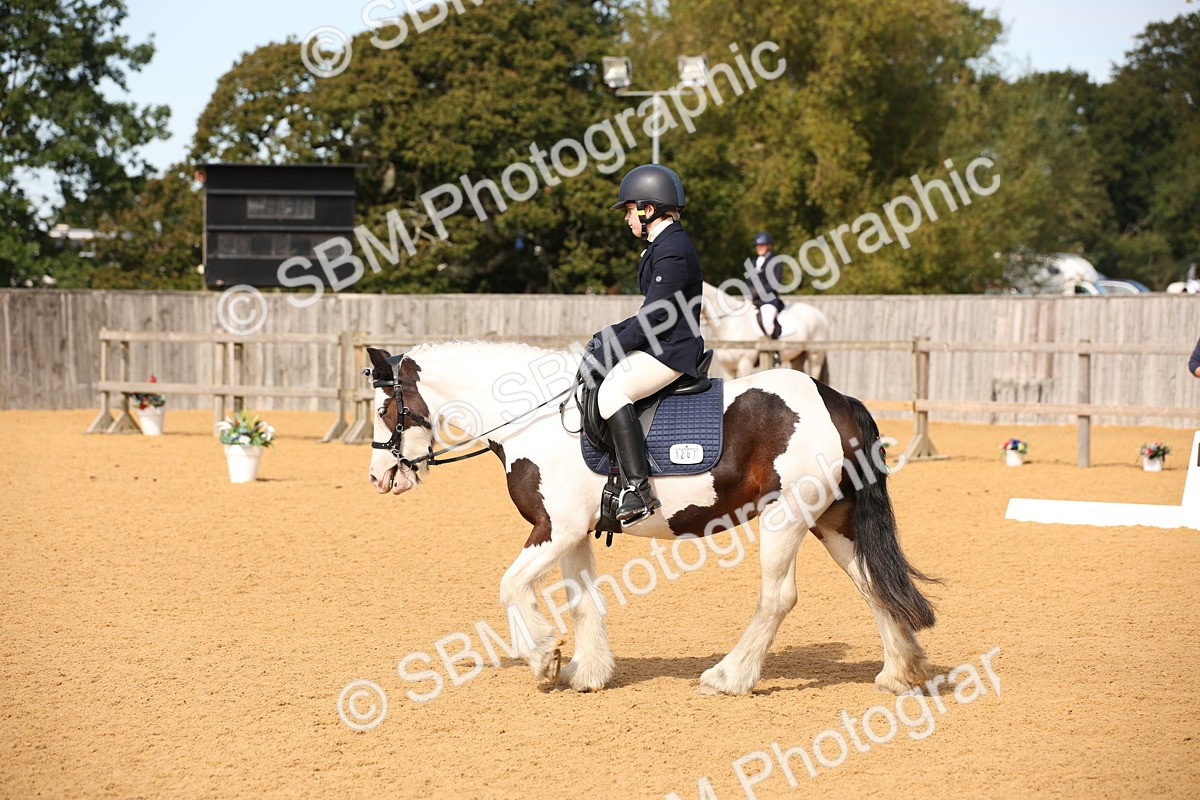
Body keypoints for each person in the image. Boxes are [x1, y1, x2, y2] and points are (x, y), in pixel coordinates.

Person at [590, 163, 704, 526]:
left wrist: (614, 348)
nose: (626, 219)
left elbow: (656, 315)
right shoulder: (663, 246)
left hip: (672, 351)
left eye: (628, 210)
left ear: (648, 209)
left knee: (611, 393)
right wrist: (611, 334)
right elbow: (650, 310)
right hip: (663, 343)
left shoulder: (672, 249)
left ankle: (639, 489)